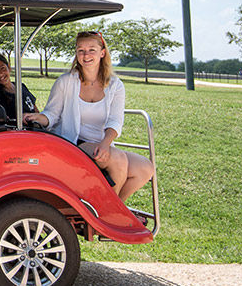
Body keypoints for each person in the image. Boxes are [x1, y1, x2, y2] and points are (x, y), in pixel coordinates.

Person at [24, 31, 154, 202]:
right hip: (71, 142)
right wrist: (36, 118)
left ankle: (110, 210)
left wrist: (105, 144)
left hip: (101, 143)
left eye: (91, 50)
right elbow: (52, 114)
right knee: (119, 160)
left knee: (145, 168)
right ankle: (110, 215)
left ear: (102, 53)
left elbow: (115, 121)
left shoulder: (115, 85)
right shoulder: (65, 82)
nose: (86, 55)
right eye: (80, 50)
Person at [0, 53, 37, 120]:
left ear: (9, 67)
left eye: (2, 68)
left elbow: (35, 109)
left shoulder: (21, 86)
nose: (0, 74)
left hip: (35, 128)